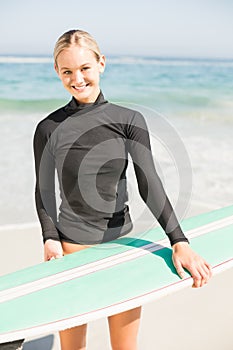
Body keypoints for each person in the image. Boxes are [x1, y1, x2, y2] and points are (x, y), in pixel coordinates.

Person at [33, 29, 212, 350]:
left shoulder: (128, 119)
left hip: (122, 247)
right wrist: (50, 239)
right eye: (67, 71)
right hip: (70, 249)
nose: (78, 78)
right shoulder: (49, 128)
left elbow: (149, 183)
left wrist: (179, 241)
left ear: (101, 63)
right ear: (57, 72)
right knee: (72, 347)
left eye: (85, 68)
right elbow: (43, 190)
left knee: (125, 346)